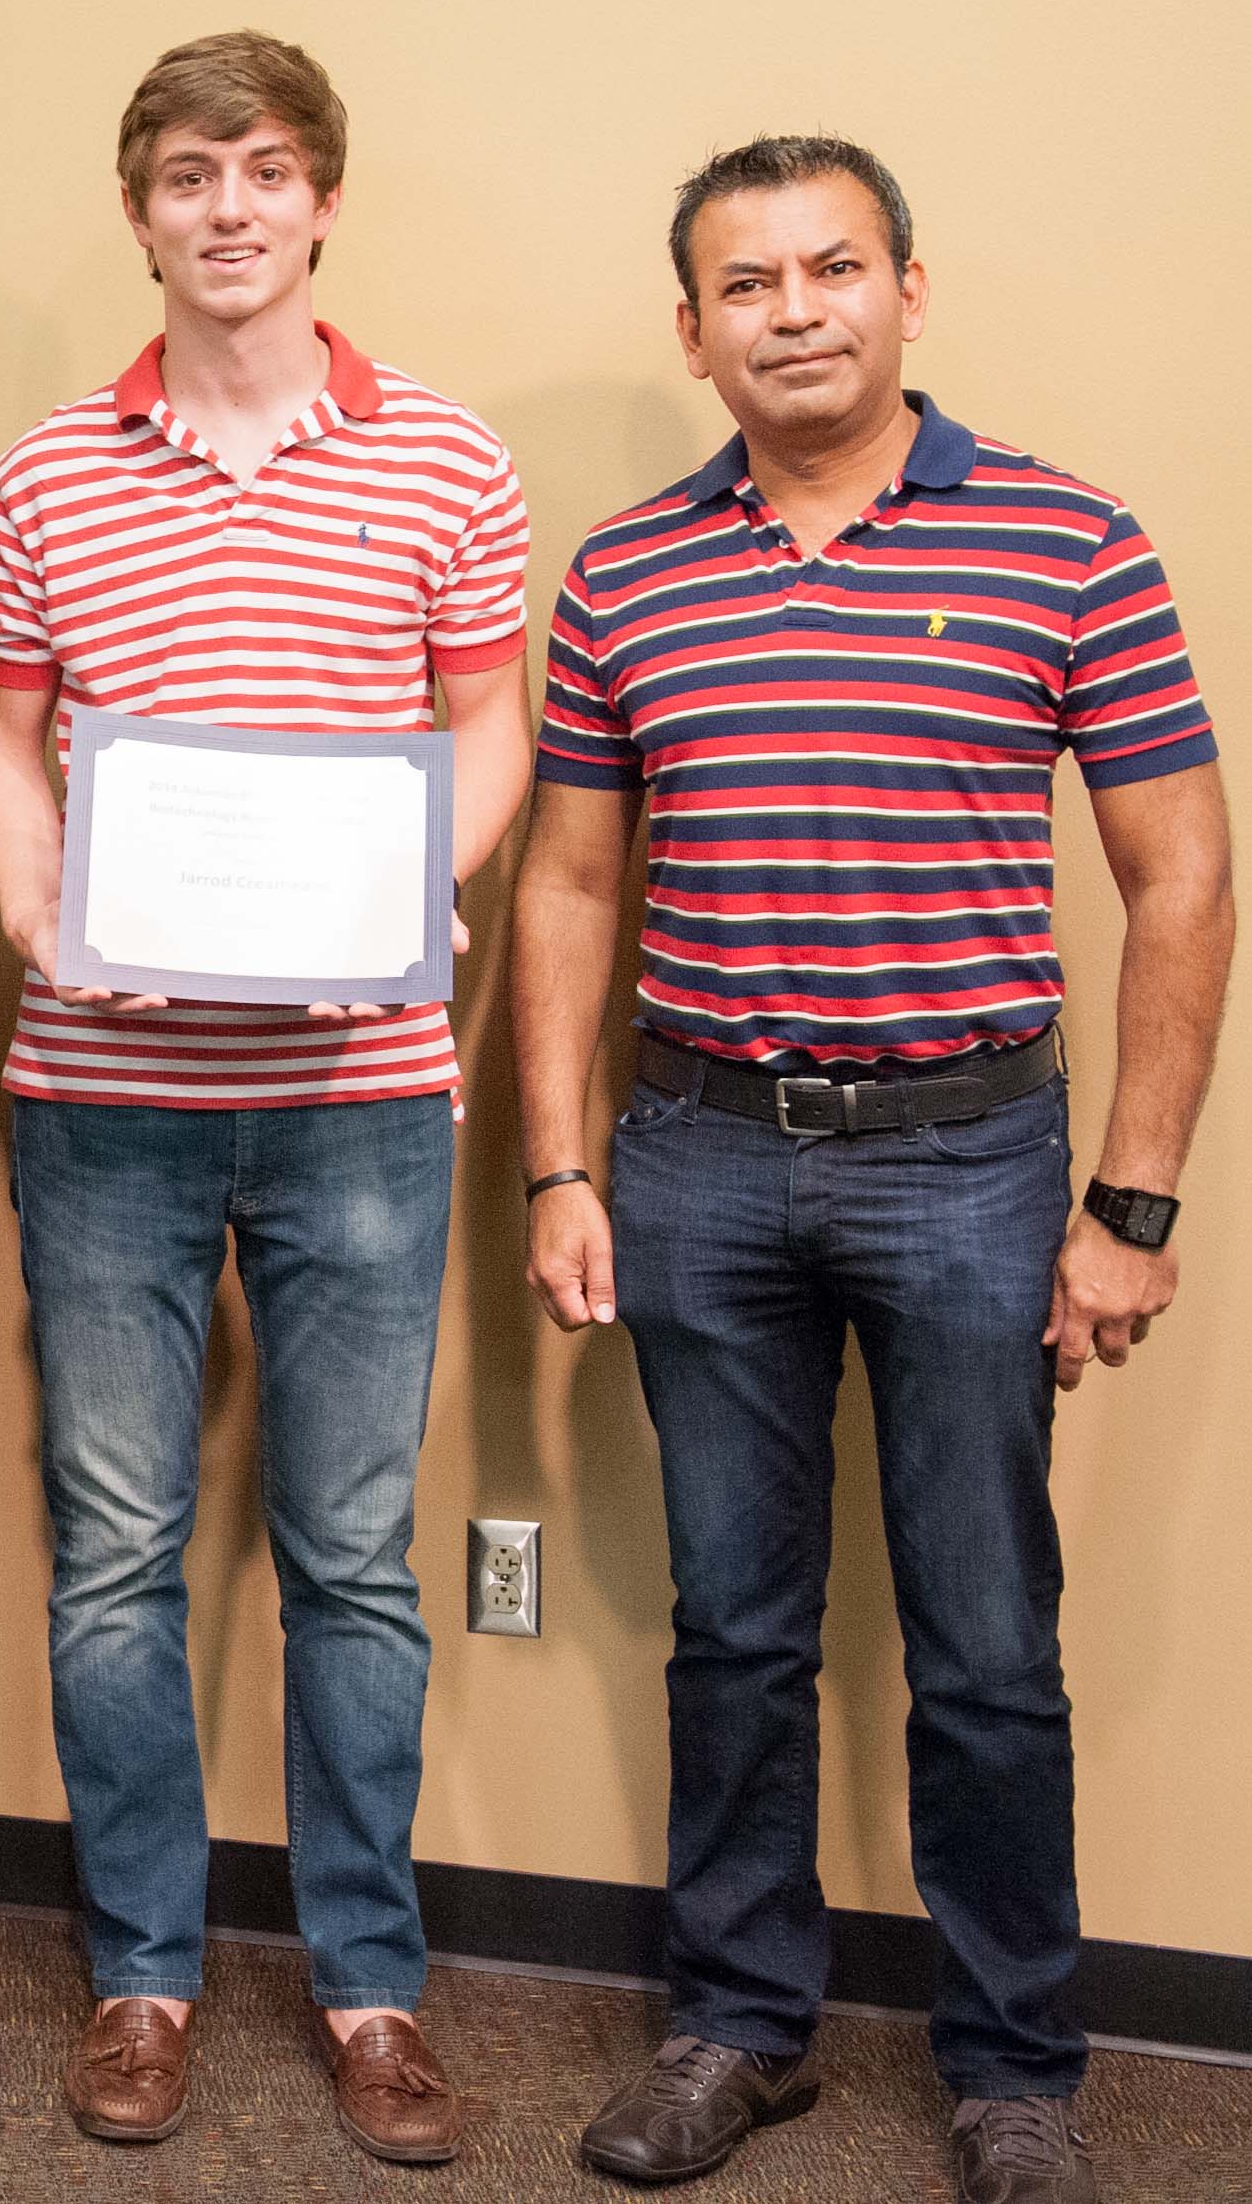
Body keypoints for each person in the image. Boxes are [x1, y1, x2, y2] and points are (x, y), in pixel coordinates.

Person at [518, 137, 1229, 2204]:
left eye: (836, 268)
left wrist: (1135, 1204)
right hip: (699, 1160)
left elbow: (1181, 879)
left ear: (914, 286)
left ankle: (1015, 2073)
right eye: (750, 284)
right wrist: (563, 1167)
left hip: (971, 1166)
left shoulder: (1067, 541)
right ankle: (739, 2028)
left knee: (986, 1641)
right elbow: (570, 884)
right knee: (732, 1628)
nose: (797, 310)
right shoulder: (628, 573)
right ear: (694, 331)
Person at [0, 31, 534, 2167]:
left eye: (266, 170)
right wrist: (42, 912)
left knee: (356, 1558)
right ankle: (141, 1975)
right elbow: (4, 737)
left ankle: (371, 1989)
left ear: (321, 202)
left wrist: (398, 890)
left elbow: (491, 731)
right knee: (114, 1553)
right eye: (187, 173)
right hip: (103, 1087)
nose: (227, 208)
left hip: (364, 1085)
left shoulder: (447, 461)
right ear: (140, 210)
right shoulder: (45, 473)